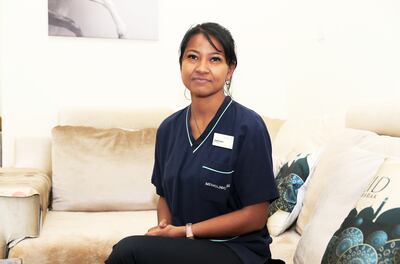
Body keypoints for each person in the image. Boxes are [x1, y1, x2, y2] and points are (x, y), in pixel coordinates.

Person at [105, 22, 280, 264]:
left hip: (237, 250)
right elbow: (164, 197)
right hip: (186, 247)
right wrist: (166, 228)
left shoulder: (248, 126)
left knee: (128, 252)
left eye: (215, 59)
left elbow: (256, 216)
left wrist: (185, 231)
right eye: (192, 57)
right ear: (181, 65)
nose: (202, 68)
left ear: (230, 69)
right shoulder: (168, 128)